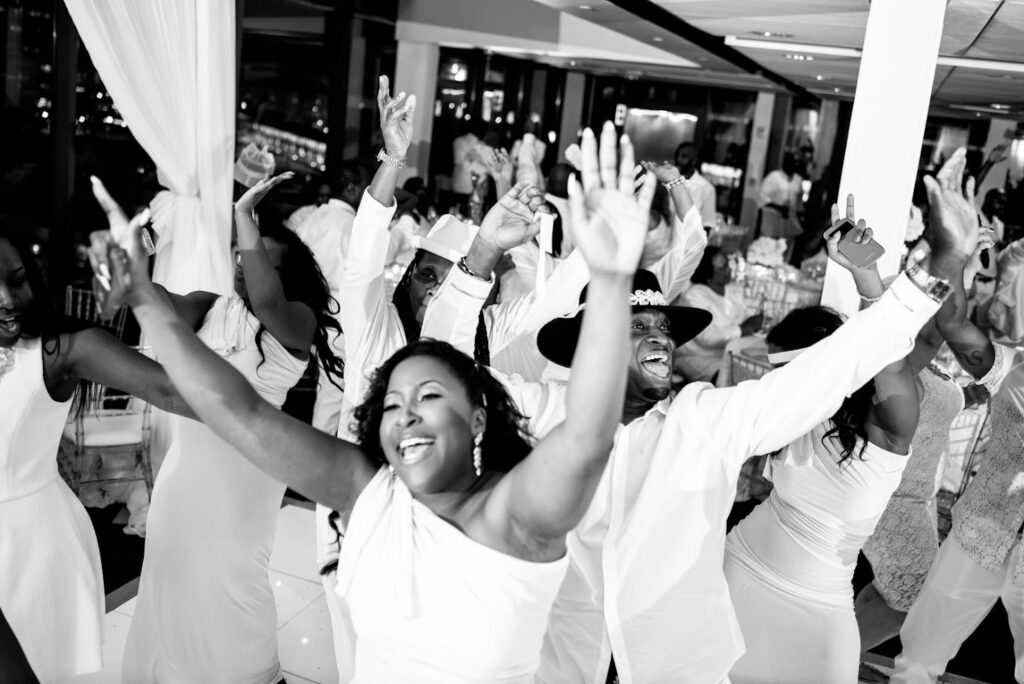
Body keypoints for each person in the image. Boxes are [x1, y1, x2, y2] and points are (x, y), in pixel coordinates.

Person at [93, 111, 656, 683]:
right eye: (390, 403)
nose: (405, 414)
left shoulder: (514, 516)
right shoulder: (369, 494)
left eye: (428, 397)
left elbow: (587, 436)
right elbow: (238, 412)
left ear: (480, 418)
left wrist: (609, 277)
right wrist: (142, 296)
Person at [532, 148, 980, 684]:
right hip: (723, 580)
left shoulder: (707, 421)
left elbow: (862, 358)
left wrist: (934, 262)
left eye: (662, 328)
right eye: (634, 326)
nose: (658, 338)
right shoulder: (540, 414)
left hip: (789, 618)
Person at [101, 173, 345, 683]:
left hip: (246, 479)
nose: (243, 267)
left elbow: (269, 302)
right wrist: (138, 251)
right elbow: (149, 299)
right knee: (172, 574)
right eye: (240, 257)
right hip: (184, 475)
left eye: (259, 261)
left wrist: (243, 220)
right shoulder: (209, 305)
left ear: (286, 275)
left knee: (234, 582)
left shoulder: (297, 322)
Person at [723, 207, 933, 683]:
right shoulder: (791, 415)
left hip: (821, 611)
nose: (780, 384)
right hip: (740, 568)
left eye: (787, 371)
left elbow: (888, 357)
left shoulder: (887, 427)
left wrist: (865, 273)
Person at [0, 220, 194, 682]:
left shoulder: (61, 351)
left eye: (18, 280)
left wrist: (142, 294)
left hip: (31, 549)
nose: (8, 301)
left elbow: (174, 393)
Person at [891, 158, 1024, 684]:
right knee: (919, 657)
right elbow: (951, 321)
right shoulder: (1013, 370)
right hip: (980, 532)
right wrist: (956, 251)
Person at [290, 161, 371, 435]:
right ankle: (326, 448)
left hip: (303, 311)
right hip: (336, 316)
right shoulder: (351, 225)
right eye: (364, 187)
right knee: (336, 389)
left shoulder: (312, 218)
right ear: (351, 188)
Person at [674, 246, 763, 383]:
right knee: (735, 378)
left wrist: (754, 322)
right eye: (722, 268)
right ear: (708, 272)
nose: (728, 270)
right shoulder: (695, 295)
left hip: (729, 353)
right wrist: (743, 329)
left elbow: (742, 315)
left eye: (727, 264)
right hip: (700, 357)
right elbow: (708, 337)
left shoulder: (730, 288)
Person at [758, 152, 804, 253]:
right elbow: (762, 197)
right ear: (784, 162)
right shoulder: (774, 177)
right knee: (769, 251)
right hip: (772, 223)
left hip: (790, 223)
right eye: (791, 162)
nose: (794, 164)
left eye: (796, 162)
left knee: (786, 251)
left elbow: (799, 202)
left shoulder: (798, 179)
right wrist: (778, 207)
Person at [674, 141, 718, 231]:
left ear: (694, 161)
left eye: (684, 157)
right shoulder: (669, 181)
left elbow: (707, 224)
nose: (678, 160)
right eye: (677, 155)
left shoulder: (706, 188)